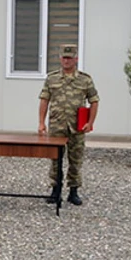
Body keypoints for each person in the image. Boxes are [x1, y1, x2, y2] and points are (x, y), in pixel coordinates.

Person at [37, 43, 100, 206]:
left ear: (76, 59)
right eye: (64, 58)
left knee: (76, 159)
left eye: (70, 58)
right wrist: (41, 123)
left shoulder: (84, 80)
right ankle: (55, 190)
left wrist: (90, 123)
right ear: (60, 58)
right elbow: (45, 100)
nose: (66, 61)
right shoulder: (52, 78)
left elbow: (94, 101)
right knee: (55, 159)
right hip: (57, 126)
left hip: (77, 127)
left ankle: (73, 192)